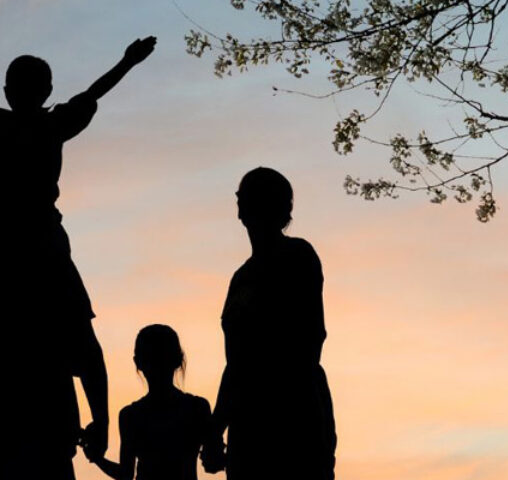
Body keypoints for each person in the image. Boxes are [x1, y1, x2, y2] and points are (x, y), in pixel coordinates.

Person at [0, 37, 156, 479]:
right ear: (45, 92)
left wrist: (126, 62)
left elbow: (92, 94)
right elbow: (93, 92)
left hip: (31, 247)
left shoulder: (23, 128)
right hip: (41, 246)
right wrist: (102, 419)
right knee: (77, 333)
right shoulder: (50, 126)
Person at [202, 167, 337, 479]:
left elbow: (309, 339)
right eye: (244, 197)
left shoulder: (298, 255)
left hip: (295, 419)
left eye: (253, 197)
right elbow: (234, 363)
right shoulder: (240, 278)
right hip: (248, 427)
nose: (244, 204)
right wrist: (215, 429)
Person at [85, 324, 212, 480]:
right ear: (178, 360)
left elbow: (125, 474)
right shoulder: (197, 408)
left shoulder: (130, 415)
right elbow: (212, 463)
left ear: (138, 362)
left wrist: (97, 458)